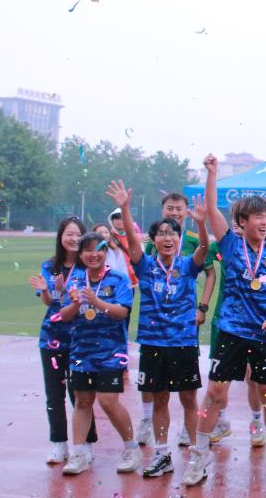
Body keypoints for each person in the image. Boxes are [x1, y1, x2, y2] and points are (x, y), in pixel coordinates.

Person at [184, 155, 266, 488]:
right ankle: (199, 455)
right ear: (242, 221)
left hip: (265, 335)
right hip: (231, 332)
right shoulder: (231, 245)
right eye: (258, 216)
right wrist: (212, 174)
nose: (265, 222)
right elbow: (212, 210)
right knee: (215, 393)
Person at [107, 180, 209, 477]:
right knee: (160, 399)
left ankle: (197, 457)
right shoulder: (145, 265)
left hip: (183, 342)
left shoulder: (187, 265)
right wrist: (125, 208)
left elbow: (204, 249)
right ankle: (163, 454)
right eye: (161, 233)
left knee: (189, 399)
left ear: (178, 238)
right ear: (153, 240)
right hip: (153, 344)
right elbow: (131, 243)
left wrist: (201, 224)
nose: (167, 238)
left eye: (172, 233)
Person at [56, 232, 139, 476]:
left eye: (98, 249)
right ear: (81, 255)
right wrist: (75, 303)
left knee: (108, 401)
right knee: (82, 401)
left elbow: (122, 312)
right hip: (81, 351)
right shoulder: (74, 280)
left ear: (105, 252)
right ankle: (79, 454)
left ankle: (131, 448)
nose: (93, 254)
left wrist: (95, 301)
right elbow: (64, 316)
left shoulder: (119, 279)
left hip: (111, 352)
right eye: (88, 250)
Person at [140, 192, 215, 448]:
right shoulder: (152, 243)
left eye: (179, 209)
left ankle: (192, 439)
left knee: (188, 395)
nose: (174, 213)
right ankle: (152, 432)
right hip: (155, 332)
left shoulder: (192, 241)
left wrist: (202, 307)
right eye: (169, 208)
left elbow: (209, 270)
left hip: (183, 330)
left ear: (186, 212)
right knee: (157, 393)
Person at [29, 216, 98, 465]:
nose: (73, 238)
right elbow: (50, 302)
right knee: (54, 394)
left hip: (81, 339)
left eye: (78, 234)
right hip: (52, 338)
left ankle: (86, 443)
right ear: (60, 237)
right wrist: (49, 291)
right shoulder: (50, 266)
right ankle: (58, 443)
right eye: (68, 234)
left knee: (80, 394)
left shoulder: (88, 266)